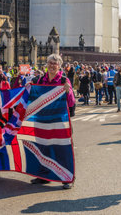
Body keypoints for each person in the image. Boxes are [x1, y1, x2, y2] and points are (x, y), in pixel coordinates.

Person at [29, 54, 75, 190]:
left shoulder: (64, 80)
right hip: (41, 120)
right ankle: (44, 176)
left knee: (62, 149)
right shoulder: (39, 80)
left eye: (55, 63)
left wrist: (68, 91)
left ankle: (67, 178)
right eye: (50, 63)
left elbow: (71, 102)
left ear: (59, 66)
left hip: (58, 120)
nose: (52, 65)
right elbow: (33, 97)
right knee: (43, 148)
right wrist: (27, 88)